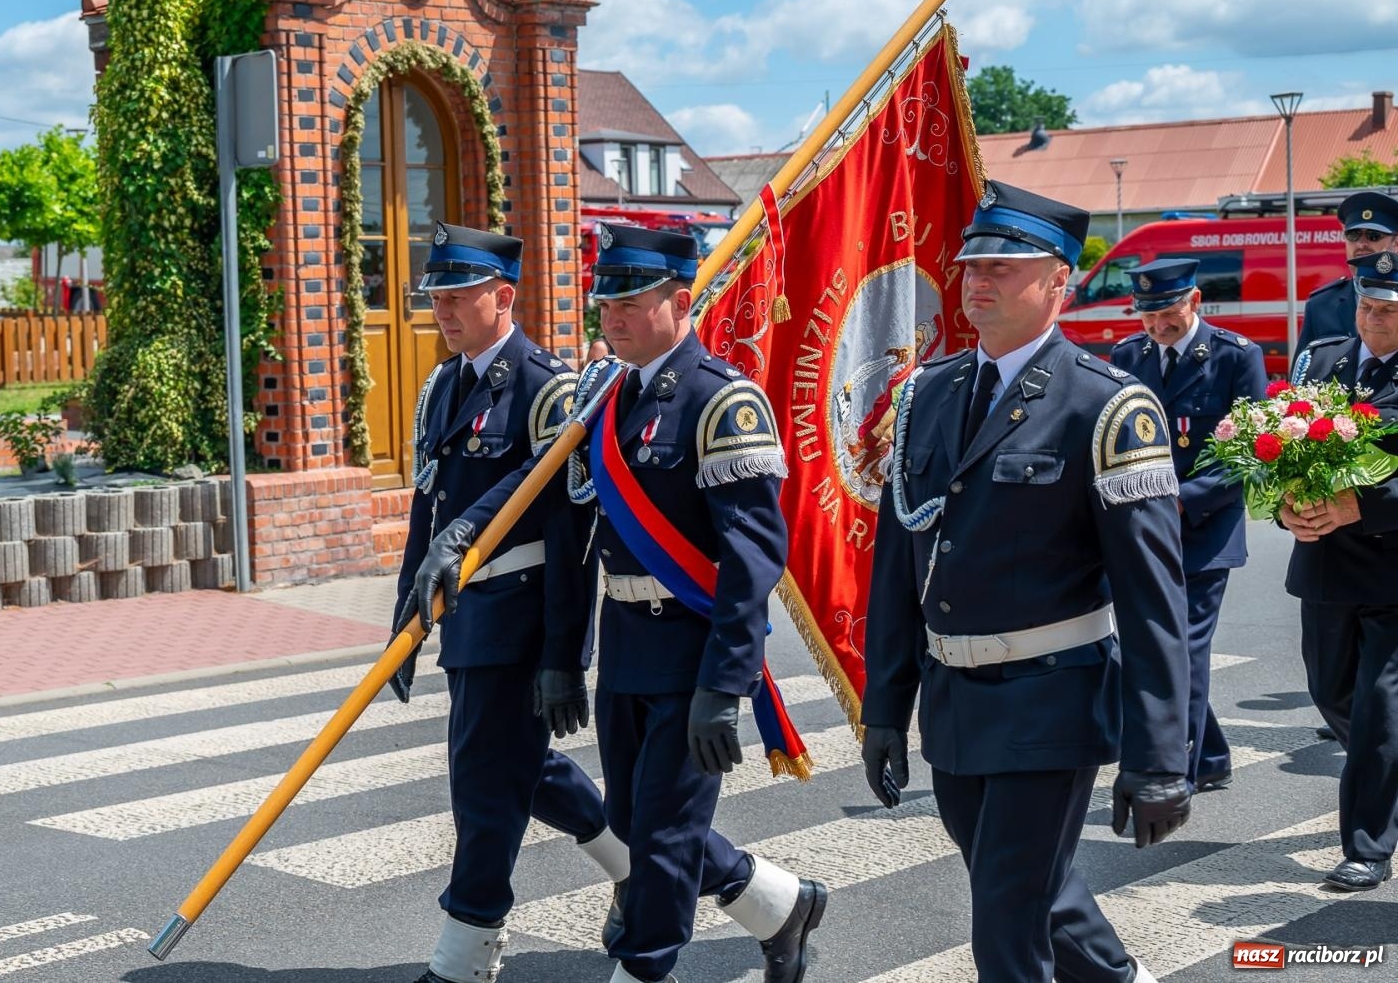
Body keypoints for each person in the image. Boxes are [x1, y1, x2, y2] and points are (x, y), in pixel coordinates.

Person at [407, 223, 827, 983]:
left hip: (694, 644)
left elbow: (751, 561)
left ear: (680, 299)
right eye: (606, 302)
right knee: (638, 824)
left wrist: (726, 684)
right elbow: (543, 497)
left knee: (662, 841)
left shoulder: (722, 401)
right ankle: (781, 905)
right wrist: (552, 642)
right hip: (628, 640)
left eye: (631, 302)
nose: (613, 317)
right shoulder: (604, 394)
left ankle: (643, 969)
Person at [860, 180, 1192, 983]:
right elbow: (899, 569)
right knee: (1041, 901)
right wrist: (884, 709)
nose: (979, 280)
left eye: (1006, 267)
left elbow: (1154, 603)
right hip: (955, 702)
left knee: (1005, 932)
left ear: (1058, 283)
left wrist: (1160, 757)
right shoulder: (924, 397)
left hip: (1051, 698)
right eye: (973, 264)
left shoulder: (1108, 407)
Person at [389, 222, 628, 983]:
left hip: (521, 618)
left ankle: (466, 954)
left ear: (503, 295)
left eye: (459, 295)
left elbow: (569, 534)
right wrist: (405, 615)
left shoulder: (546, 387)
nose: (445, 310)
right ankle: (740, 889)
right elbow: (428, 512)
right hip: (467, 618)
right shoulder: (445, 385)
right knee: (525, 771)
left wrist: (565, 656)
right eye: (438, 296)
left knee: (485, 785)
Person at [1112, 260, 1268, 793]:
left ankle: (1175, 765)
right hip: (1145, 529)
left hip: (1204, 528)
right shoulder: (1128, 357)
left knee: (1185, 646)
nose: (1157, 325)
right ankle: (1213, 755)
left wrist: (1183, 500)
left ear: (1195, 301)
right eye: (1147, 314)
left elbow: (1249, 451)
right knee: (1162, 641)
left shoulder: (1235, 356)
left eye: (1168, 312)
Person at [1281, 248, 1398, 892]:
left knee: (1382, 708)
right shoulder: (1323, 361)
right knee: (1332, 693)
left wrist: (1362, 502)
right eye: (1365, 305)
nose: (1372, 320)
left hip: (1390, 566)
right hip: (1325, 563)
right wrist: (1287, 510)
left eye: (1386, 310)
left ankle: (1366, 846)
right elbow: (1279, 452)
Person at [1295, 191, 1398, 361]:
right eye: (1353, 235)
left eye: (1373, 236)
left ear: (1396, 243)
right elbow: (1303, 375)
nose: (1361, 244)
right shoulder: (1321, 304)